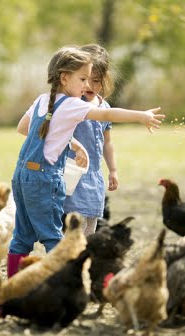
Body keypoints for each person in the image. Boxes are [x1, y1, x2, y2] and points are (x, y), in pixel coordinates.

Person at [7, 46, 164, 277]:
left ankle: (11, 290)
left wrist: (71, 143)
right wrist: (141, 116)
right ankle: (58, 289)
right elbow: (108, 115)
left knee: (21, 238)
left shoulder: (42, 100)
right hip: (44, 179)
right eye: (82, 79)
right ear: (64, 77)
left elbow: (25, 128)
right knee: (55, 239)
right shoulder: (72, 104)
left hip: (22, 177)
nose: (86, 85)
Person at [63, 44, 117, 236]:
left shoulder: (105, 106)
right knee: (70, 219)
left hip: (94, 173)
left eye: (97, 81)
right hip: (72, 170)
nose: (90, 86)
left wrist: (113, 170)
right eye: (85, 80)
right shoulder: (72, 104)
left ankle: (85, 254)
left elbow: (107, 142)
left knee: (92, 220)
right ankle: (68, 254)